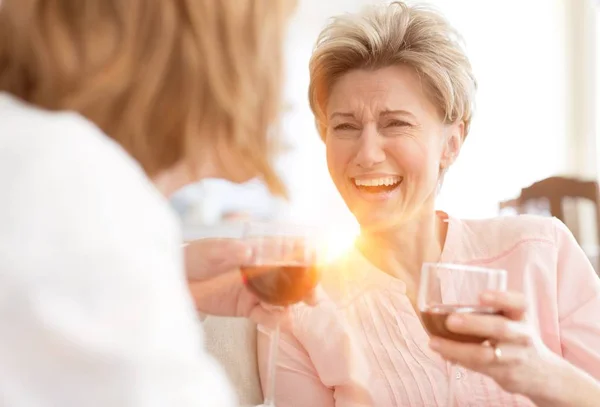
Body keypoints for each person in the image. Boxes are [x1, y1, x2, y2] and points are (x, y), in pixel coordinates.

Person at [257, 2, 600, 406]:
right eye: (345, 126)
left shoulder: (542, 252)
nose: (367, 153)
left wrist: (541, 374)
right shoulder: (299, 312)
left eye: (396, 123)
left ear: (452, 143)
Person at [0, 0, 296, 406]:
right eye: (274, 39)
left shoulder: (41, 161)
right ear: (211, 56)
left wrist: (173, 276)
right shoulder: (69, 182)